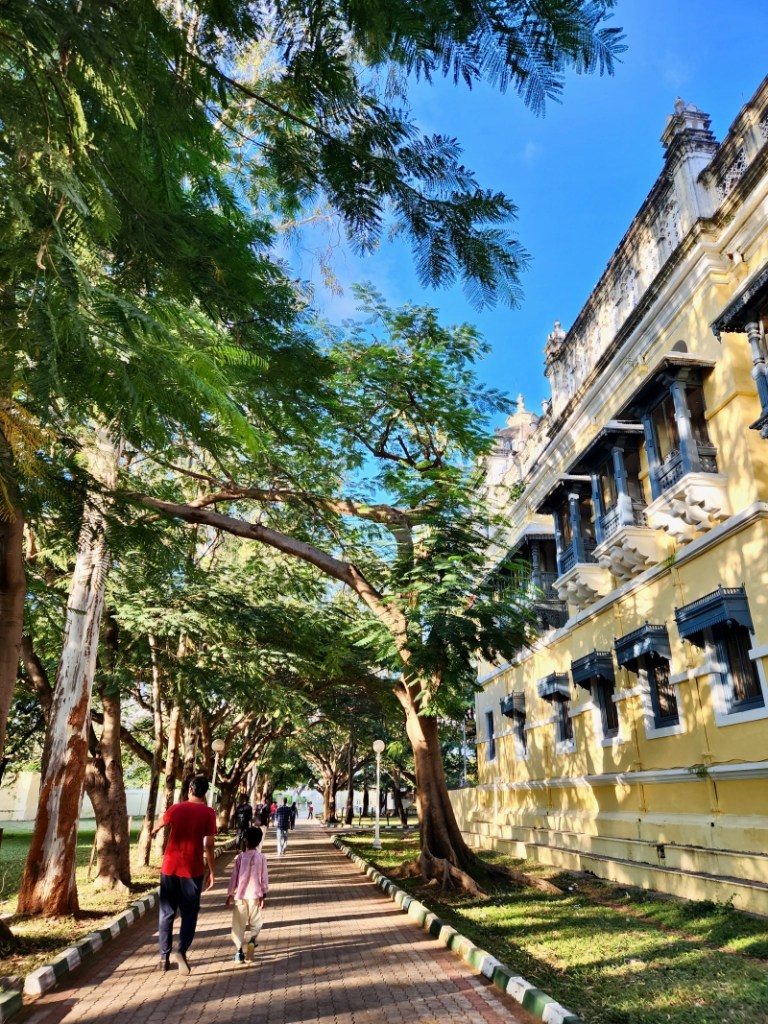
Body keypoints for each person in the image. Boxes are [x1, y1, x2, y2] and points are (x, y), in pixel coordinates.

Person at [151, 774, 217, 975]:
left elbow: (158, 825)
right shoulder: (208, 813)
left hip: (169, 868)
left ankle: (164, 958)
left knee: (166, 913)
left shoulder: (175, 809)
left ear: (189, 789)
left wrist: (153, 831)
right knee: (189, 914)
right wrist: (212, 871)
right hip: (193, 870)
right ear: (205, 793)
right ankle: (182, 950)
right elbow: (210, 845)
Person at [225, 826, 268, 964]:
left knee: (238, 924)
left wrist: (230, 894)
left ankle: (238, 953)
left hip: (241, 896)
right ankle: (252, 940)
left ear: (246, 841)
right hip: (255, 895)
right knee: (256, 921)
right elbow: (264, 877)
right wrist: (263, 895)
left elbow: (234, 877)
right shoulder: (261, 857)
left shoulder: (240, 857)